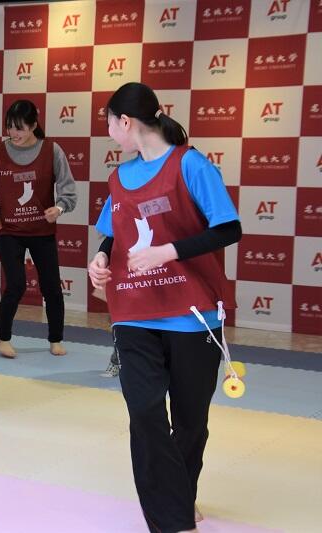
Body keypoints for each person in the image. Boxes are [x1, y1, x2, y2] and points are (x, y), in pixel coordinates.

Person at [87, 82, 242, 533]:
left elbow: (228, 229)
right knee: (144, 412)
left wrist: (167, 252)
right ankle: (172, 521)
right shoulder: (119, 177)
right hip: (134, 311)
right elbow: (114, 233)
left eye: (109, 123)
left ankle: (180, 498)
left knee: (191, 422)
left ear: (126, 121)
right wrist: (101, 258)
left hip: (193, 317)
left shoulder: (191, 164)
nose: (109, 132)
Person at [0, 99, 77, 359]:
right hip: (9, 231)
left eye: (19, 128)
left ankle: (56, 339)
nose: (13, 133)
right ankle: (3, 338)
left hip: (42, 231)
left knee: (52, 287)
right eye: (10, 127)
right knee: (15, 285)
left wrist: (59, 208)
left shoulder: (52, 150)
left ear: (33, 125)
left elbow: (68, 190)